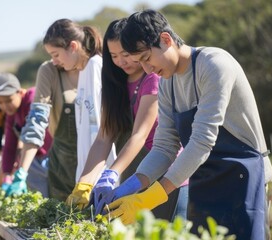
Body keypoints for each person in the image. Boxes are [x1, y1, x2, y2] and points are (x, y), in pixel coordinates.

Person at [103, 9, 272, 240]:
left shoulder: (214, 65)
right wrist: (130, 186)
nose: (147, 69)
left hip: (243, 178)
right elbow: (164, 148)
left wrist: (151, 197)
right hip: (203, 181)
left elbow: (202, 141)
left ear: (166, 40)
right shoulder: (167, 85)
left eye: (146, 58)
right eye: (139, 63)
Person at [69, 19, 188, 221]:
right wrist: (84, 183)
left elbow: (139, 135)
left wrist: (112, 172)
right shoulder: (115, 83)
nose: (121, 62)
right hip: (131, 175)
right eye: (114, 56)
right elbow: (104, 137)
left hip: (164, 175)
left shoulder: (153, 78)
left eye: (126, 55)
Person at [9, 18, 116, 201]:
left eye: (56, 54)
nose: (54, 61)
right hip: (64, 162)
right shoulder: (50, 71)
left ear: (73, 46)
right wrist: (22, 172)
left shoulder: (94, 68)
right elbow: (37, 120)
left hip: (97, 159)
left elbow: (104, 127)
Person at [0, 72, 52, 197]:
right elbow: (9, 145)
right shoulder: (11, 114)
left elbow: (34, 131)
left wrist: (21, 172)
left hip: (53, 155)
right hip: (35, 160)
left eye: (9, 100)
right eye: (0, 102)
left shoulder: (33, 98)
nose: (5, 106)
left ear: (19, 92)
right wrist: (7, 174)